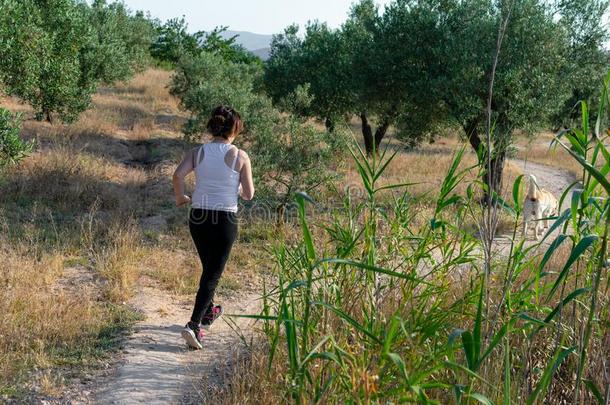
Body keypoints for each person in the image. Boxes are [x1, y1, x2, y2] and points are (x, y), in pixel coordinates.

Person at [172, 105, 254, 350]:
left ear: (213, 127)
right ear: (235, 129)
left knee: (209, 267)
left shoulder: (198, 152)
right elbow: (249, 194)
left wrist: (180, 199)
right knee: (212, 274)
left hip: (198, 217)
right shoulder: (240, 156)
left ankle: (209, 312)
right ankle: (194, 325)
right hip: (224, 219)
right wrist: (235, 188)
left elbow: (177, 176)